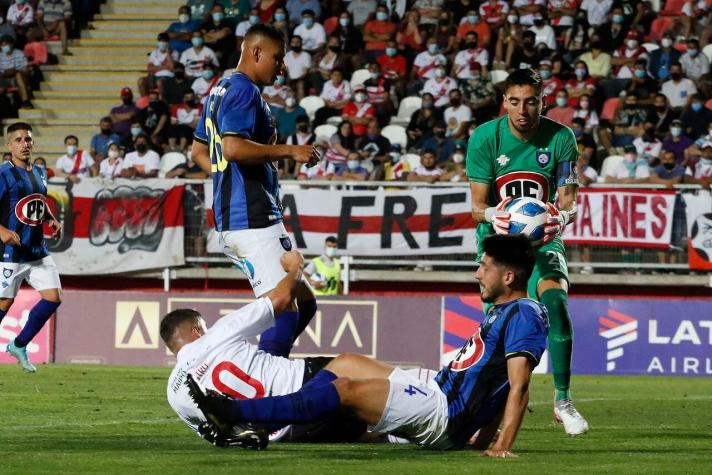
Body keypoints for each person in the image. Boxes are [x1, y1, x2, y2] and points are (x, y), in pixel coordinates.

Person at [189, 234, 548, 456]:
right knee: (345, 366)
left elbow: (518, 385)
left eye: (484, 267)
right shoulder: (504, 311)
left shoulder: (525, 313)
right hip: (438, 391)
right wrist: (482, 438)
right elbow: (498, 385)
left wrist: (500, 447)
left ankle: (237, 414)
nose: (477, 274)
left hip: (443, 412)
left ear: (509, 276)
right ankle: (265, 420)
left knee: (344, 390)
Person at [466, 68, 588, 436]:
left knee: (556, 305)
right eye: (515, 101)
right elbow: (476, 206)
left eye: (531, 101)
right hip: (499, 243)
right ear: (504, 102)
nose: (522, 110)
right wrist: (498, 215)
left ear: (542, 101)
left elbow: (569, 201)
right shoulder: (485, 137)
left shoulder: (562, 138)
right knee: (500, 332)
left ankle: (563, 400)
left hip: (542, 239)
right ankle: (485, 409)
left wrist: (560, 217)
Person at [190, 23, 321, 362]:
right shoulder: (244, 90)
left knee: (304, 303)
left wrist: (225, 181)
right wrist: (291, 152)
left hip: (241, 216)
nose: (283, 67)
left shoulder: (219, 89)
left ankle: (270, 372)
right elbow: (232, 148)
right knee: (286, 304)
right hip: (252, 216)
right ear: (255, 52)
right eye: (277, 58)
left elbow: (199, 153)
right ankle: (259, 385)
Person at [1, 122, 62, 373]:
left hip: (37, 251)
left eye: (27, 139)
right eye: (18, 140)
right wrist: (2, 231)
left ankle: (19, 344)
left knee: (53, 298)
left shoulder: (39, 172)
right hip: (11, 253)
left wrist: (50, 218)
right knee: (4, 303)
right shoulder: (4, 174)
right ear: (9, 145)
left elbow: (38, 200)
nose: (24, 144)